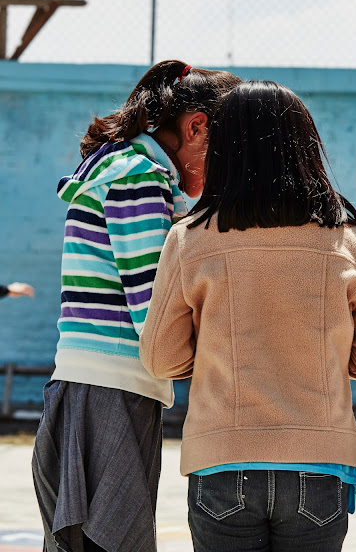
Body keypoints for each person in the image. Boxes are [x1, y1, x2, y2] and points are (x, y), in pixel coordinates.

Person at [139, 80, 356, 552]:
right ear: (306, 148)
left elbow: (161, 359)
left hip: (221, 460)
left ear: (222, 150)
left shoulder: (188, 238)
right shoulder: (347, 238)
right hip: (320, 463)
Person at [31, 60, 242, 552]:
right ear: (195, 127)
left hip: (99, 385)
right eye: (227, 152)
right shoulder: (139, 178)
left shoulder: (126, 169)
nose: (226, 170)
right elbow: (154, 310)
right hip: (112, 387)